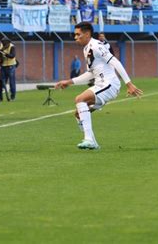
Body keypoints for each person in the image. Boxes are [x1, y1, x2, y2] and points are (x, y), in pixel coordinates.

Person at [55, 22, 143, 150]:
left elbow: (115, 61)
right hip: (100, 85)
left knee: (80, 99)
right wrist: (69, 82)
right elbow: (90, 74)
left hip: (109, 84)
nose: (75, 37)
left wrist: (129, 84)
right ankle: (93, 143)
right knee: (78, 114)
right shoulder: (86, 49)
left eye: (78, 34)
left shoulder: (96, 45)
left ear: (87, 34)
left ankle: (89, 140)